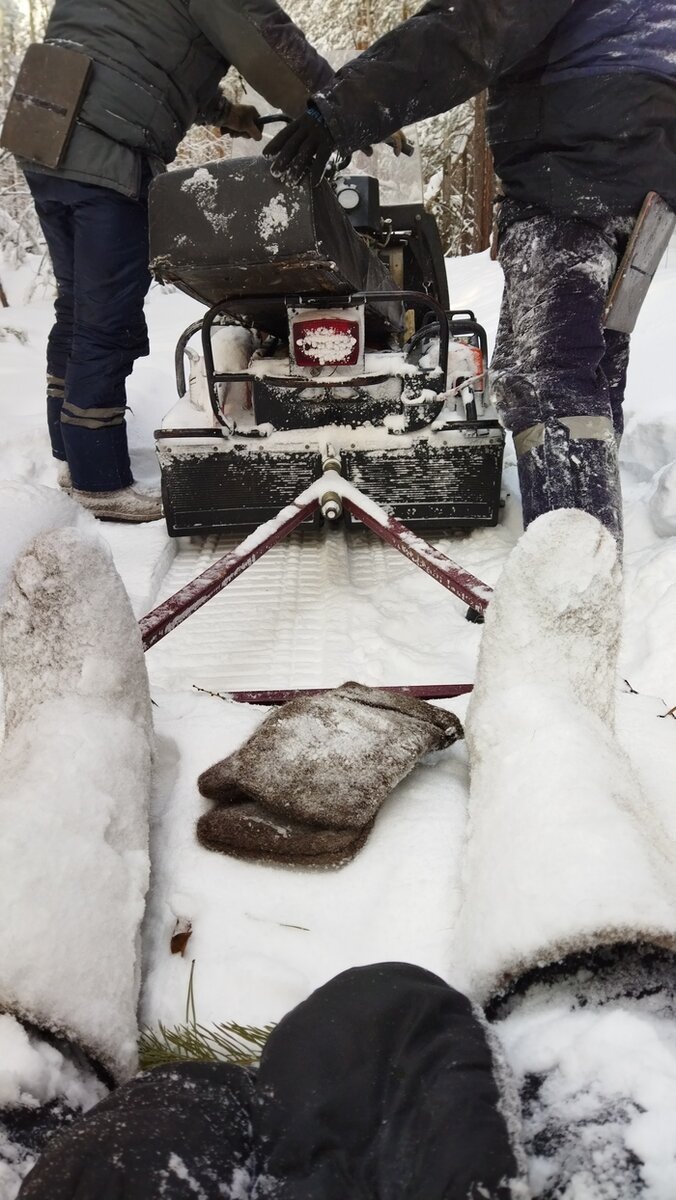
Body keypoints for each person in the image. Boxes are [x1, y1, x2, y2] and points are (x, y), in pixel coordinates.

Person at [265, 0, 676, 546]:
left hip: (575, 153)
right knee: (585, 365)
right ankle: (588, 542)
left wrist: (341, 110)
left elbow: (470, 26)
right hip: (647, 162)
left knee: (549, 377)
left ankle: (574, 573)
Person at [9, 0, 339, 523]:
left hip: (44, 126)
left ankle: (71, 456)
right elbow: (272, 46)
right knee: (106, 319)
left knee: (77, 306)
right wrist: (350, 105)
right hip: (108, 145)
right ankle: (99, 479)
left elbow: (138, 53)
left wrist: (225, 113)